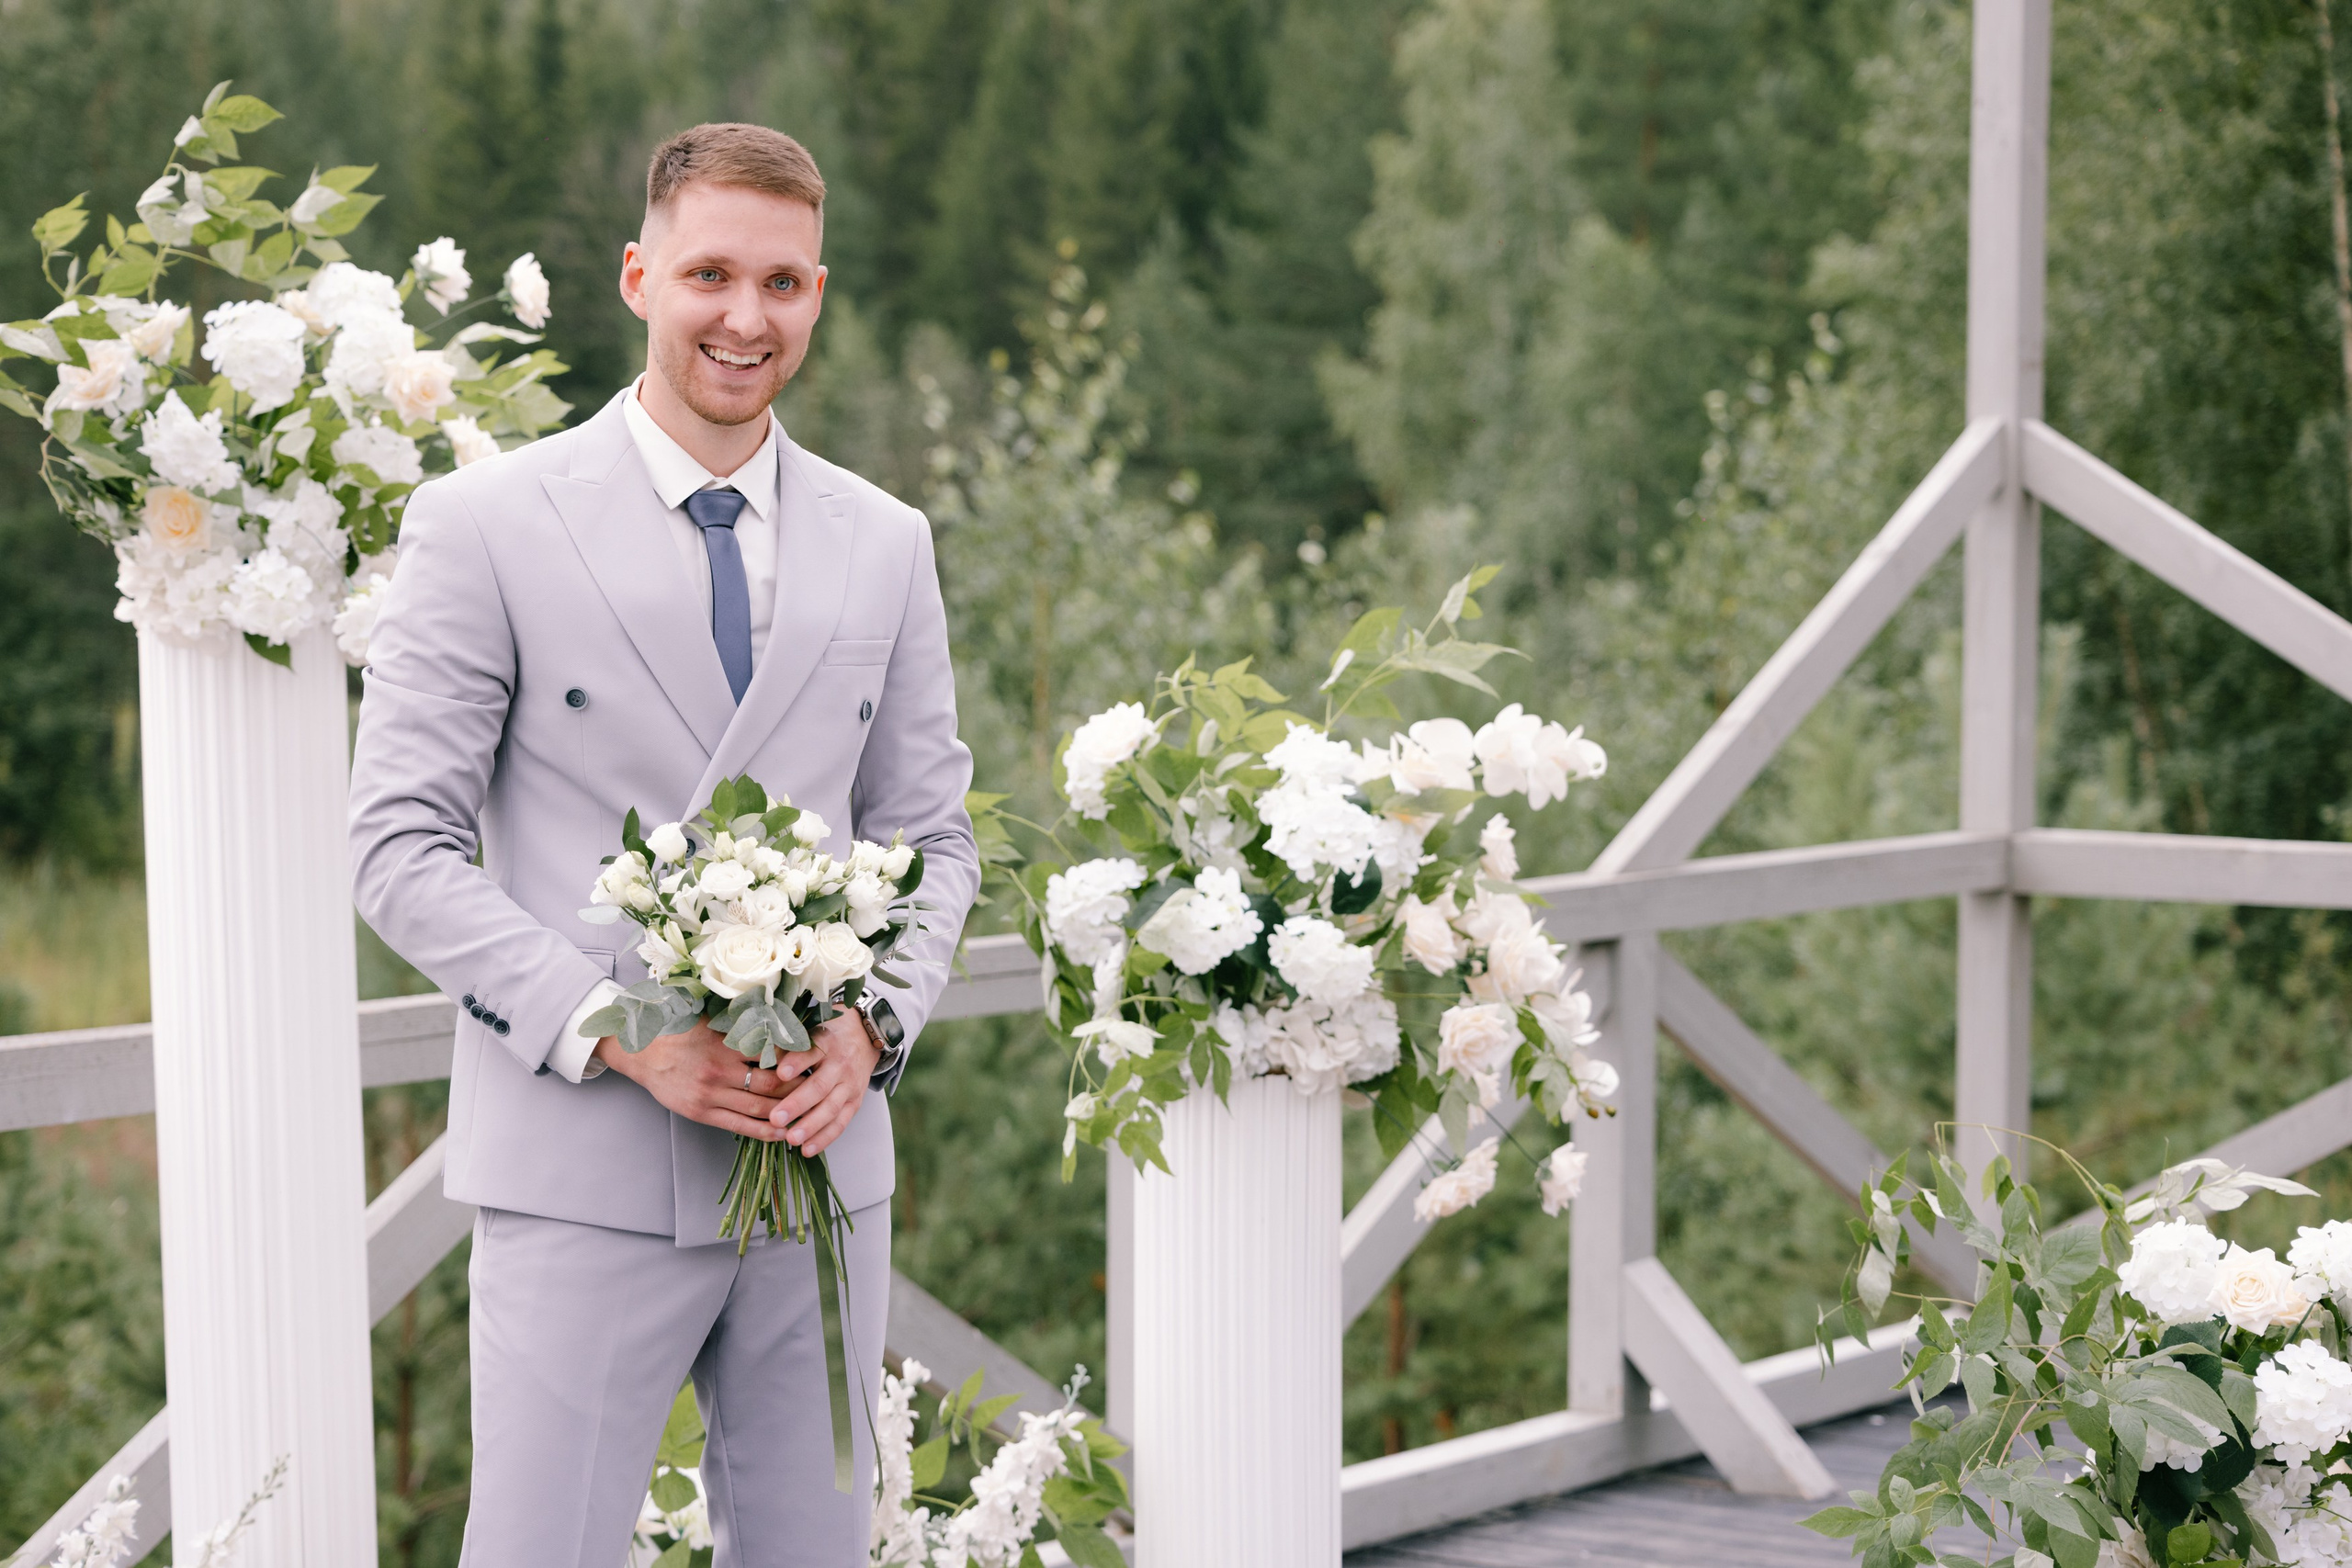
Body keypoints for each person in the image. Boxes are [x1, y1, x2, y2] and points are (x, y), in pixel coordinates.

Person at [349, 122, 977, 1566]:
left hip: (816, 1172)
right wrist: (625, 1029)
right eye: (709, 274)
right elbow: (399, 846)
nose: (745, 319)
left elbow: (934, 837)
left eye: (784, 283)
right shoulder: (484, 525)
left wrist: (872, 1028)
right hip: (583, 1164)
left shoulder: (886, 541)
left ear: (820, 292)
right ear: (639, 276)